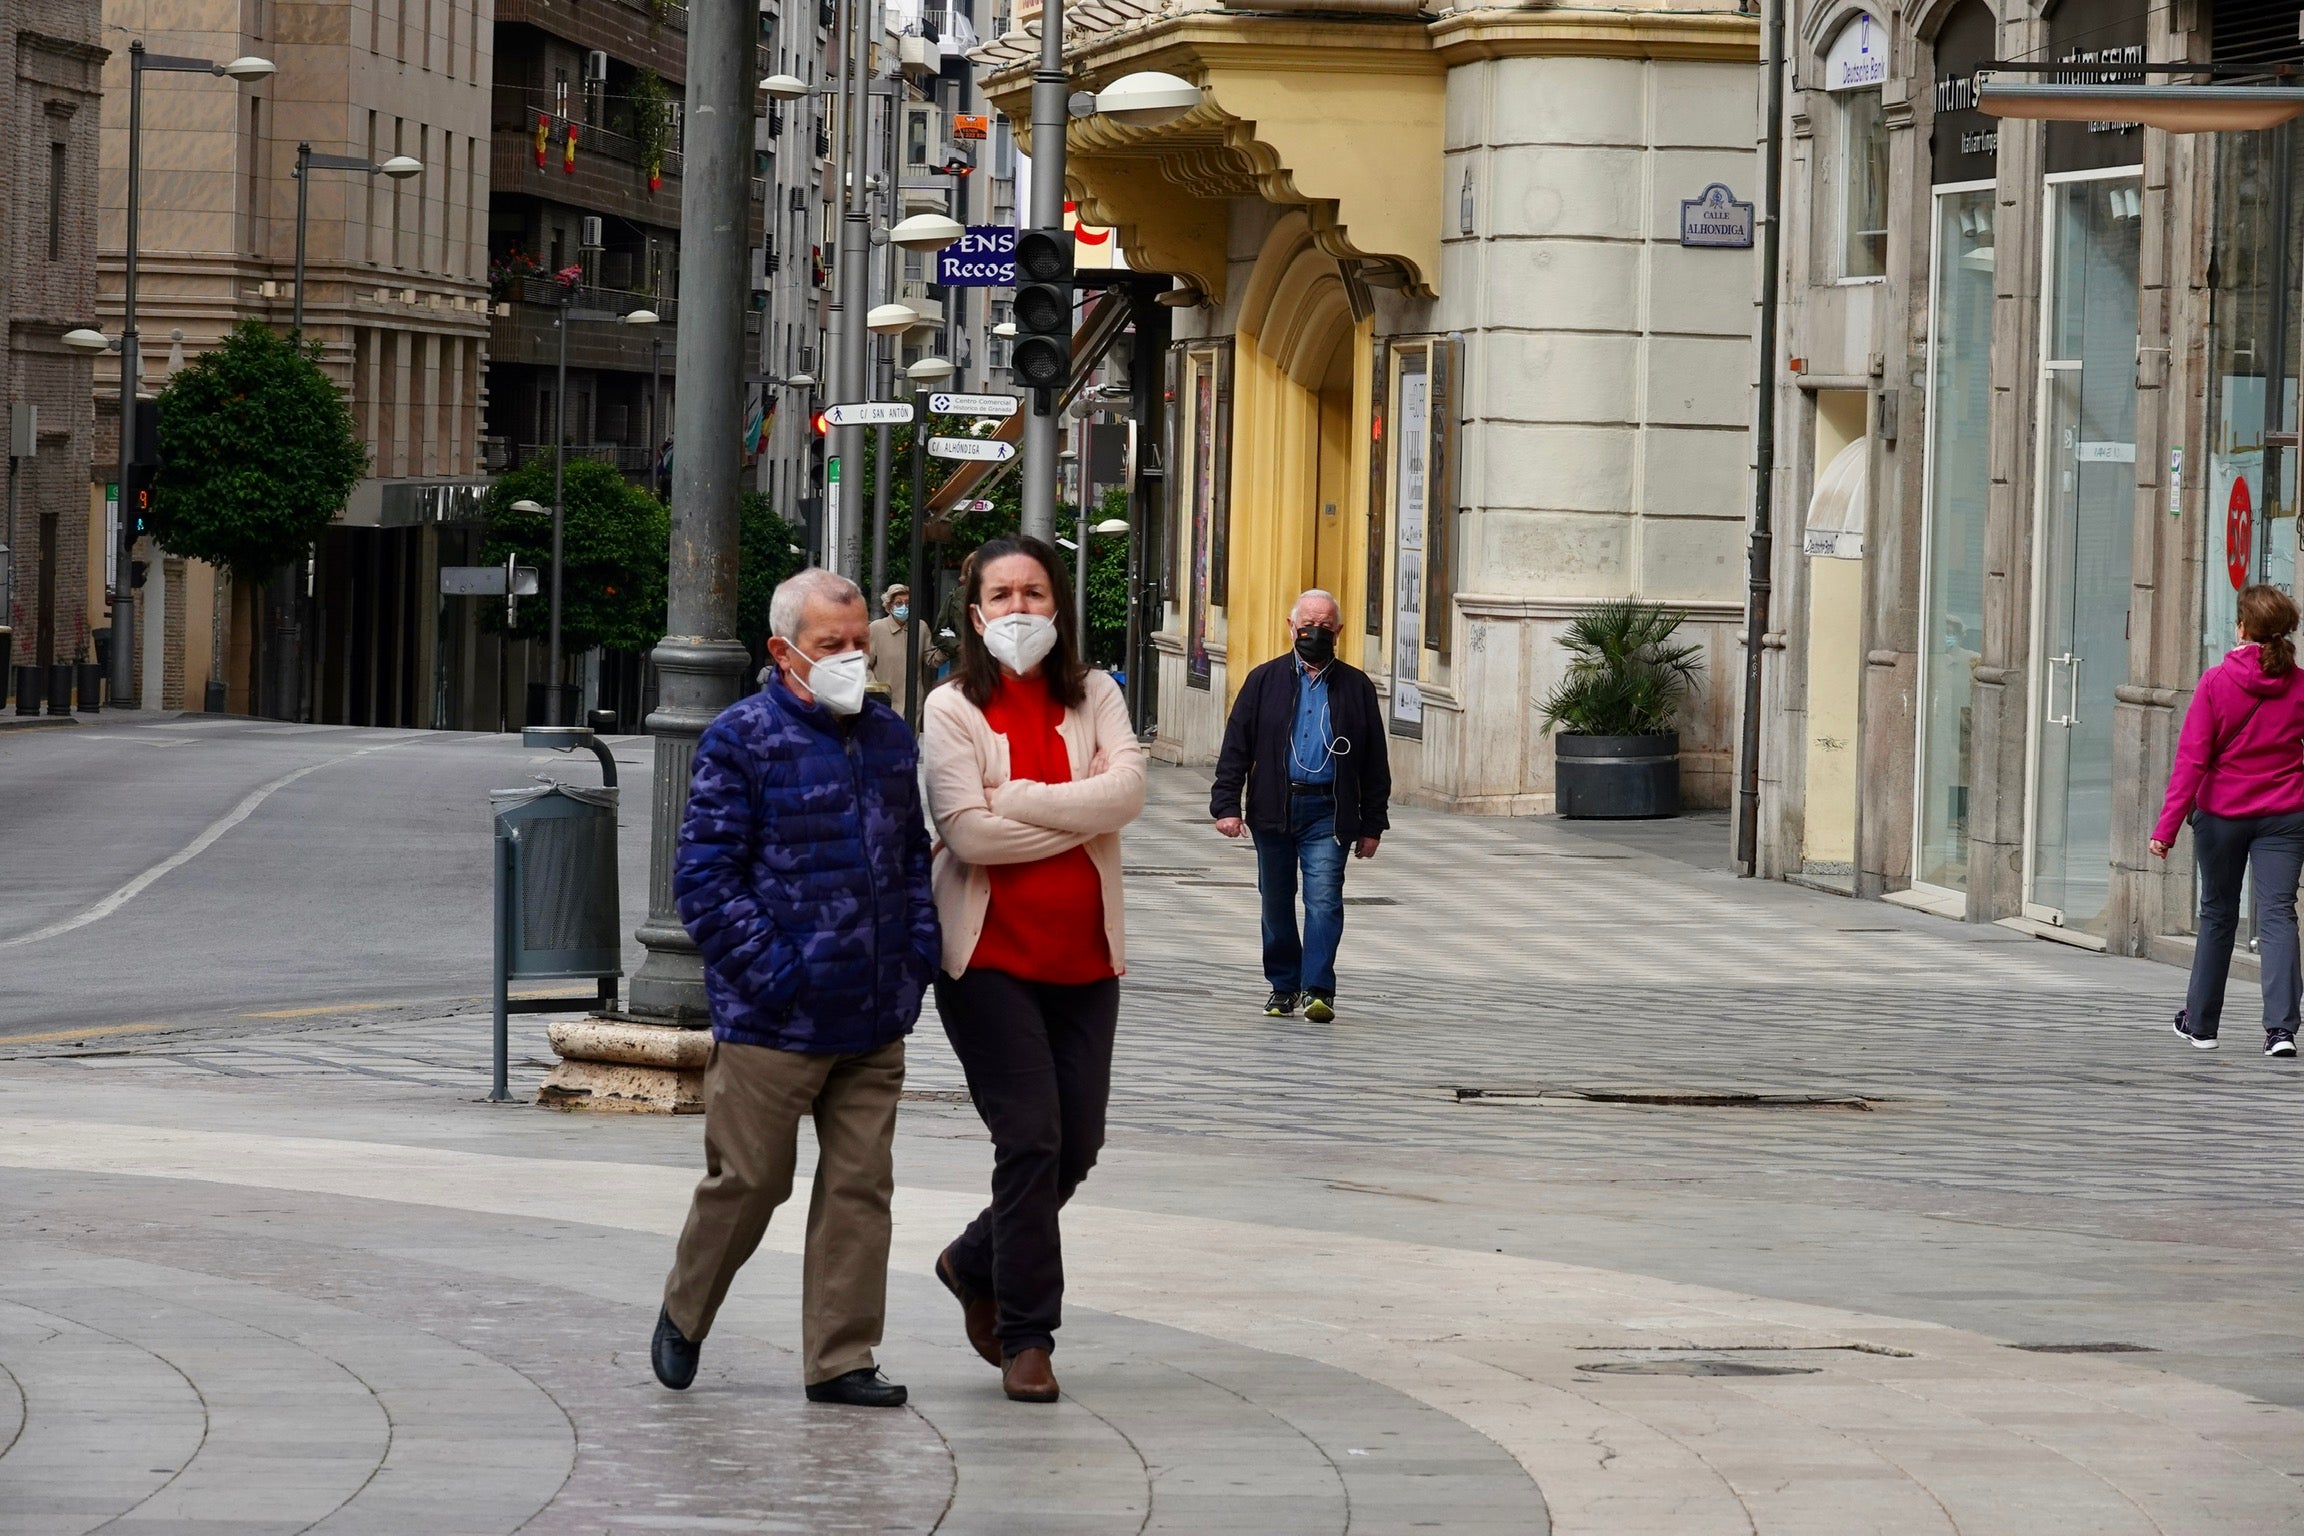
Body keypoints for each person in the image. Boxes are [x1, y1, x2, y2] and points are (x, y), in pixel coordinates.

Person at [650, 567, 941, 1406]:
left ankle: (841, 1358)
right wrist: (777, 972)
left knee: (860, 1190)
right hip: (775, 1020)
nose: (854, 658)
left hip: (875, 1013)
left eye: (859, 643)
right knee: (749, 1183)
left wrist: (916, 953)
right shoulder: (740, 738)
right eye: (832, 646)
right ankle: (685, 1310)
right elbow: (704, 880)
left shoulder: (889, 738)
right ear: (785, 653)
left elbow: (910, 859)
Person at [919, 534, 1145, 1404]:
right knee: (1031, 1138)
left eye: (1035, 593)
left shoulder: (1095, 694)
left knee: (1077, 1144)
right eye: (1002, 595)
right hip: (988, 963)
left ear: (1060, 606)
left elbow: (1127, 793)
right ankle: (1028, 1335)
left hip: (1086, 961)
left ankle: (970, 1258)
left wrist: (1015, 800)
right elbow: (967, 834)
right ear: (976, 616)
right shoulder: (950, 709)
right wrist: (1075, 814)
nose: (1020, 609)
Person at [1211, 589, 1391, 1023]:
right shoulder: (1263, 680)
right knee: (1275, 901)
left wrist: (1372, 824)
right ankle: (1283, 986)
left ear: (1339, 632)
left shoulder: (1356, 687)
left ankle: (1318, 989)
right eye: (1307, 625)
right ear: (1291, 627)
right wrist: (1226, 806)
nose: (1315, 633)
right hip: (1274, 807)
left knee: (1324, 900)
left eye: (1325, 627)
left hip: (1328, 812)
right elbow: (1237, 745)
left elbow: (1374, 761)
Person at [2153, 583, 2304, 1058]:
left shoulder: (2217, 682)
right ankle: (2281, 1031)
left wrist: (2166, 829)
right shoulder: (2300, 685)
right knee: (2280, 913)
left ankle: (2201, 1025)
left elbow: (2192, 761)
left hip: (2221, 815)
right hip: (2285, 814)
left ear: (2242, 628)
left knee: (2218, 913)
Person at [867, 582, 913, 716]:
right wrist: (878, 691)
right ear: (890, 606)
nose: (904, 607)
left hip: (913, 705)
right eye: (899, 603)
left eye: (908, 602)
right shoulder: (877, 628)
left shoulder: (921, 628)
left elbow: (930, 659)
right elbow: (864, 664)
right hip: (885, 704)